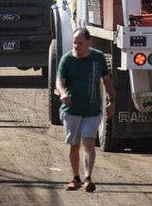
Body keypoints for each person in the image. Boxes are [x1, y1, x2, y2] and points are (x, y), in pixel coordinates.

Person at [55, 28, 114, 193]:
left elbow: (107, 81)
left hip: (92, 110)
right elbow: (59, 81)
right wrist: (63, 92)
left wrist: (112, 101)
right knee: (74, 145)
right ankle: (75, 177)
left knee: (88, 143)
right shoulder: (67, 59)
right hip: (71, 110)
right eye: (75, 42)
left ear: (88, 43)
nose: (77, 46)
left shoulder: (98, 58)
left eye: (80, 43)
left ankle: (88, 178)